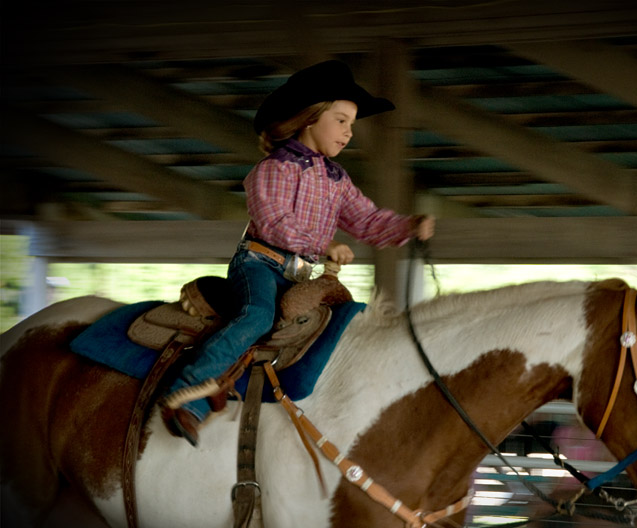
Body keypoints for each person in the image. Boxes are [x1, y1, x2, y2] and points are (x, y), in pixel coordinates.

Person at [161, 60, 435, 446]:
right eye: (341, 121)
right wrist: (323, 245)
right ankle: (188, 390)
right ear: (311, 117)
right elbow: (274, 222)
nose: (348, 132)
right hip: (258, 263)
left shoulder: (337, 180)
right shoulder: (273, 169)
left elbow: (367, 220)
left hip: (298, 275)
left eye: (351, 124)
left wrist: (406, 226)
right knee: (257, 316)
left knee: (343, 322)